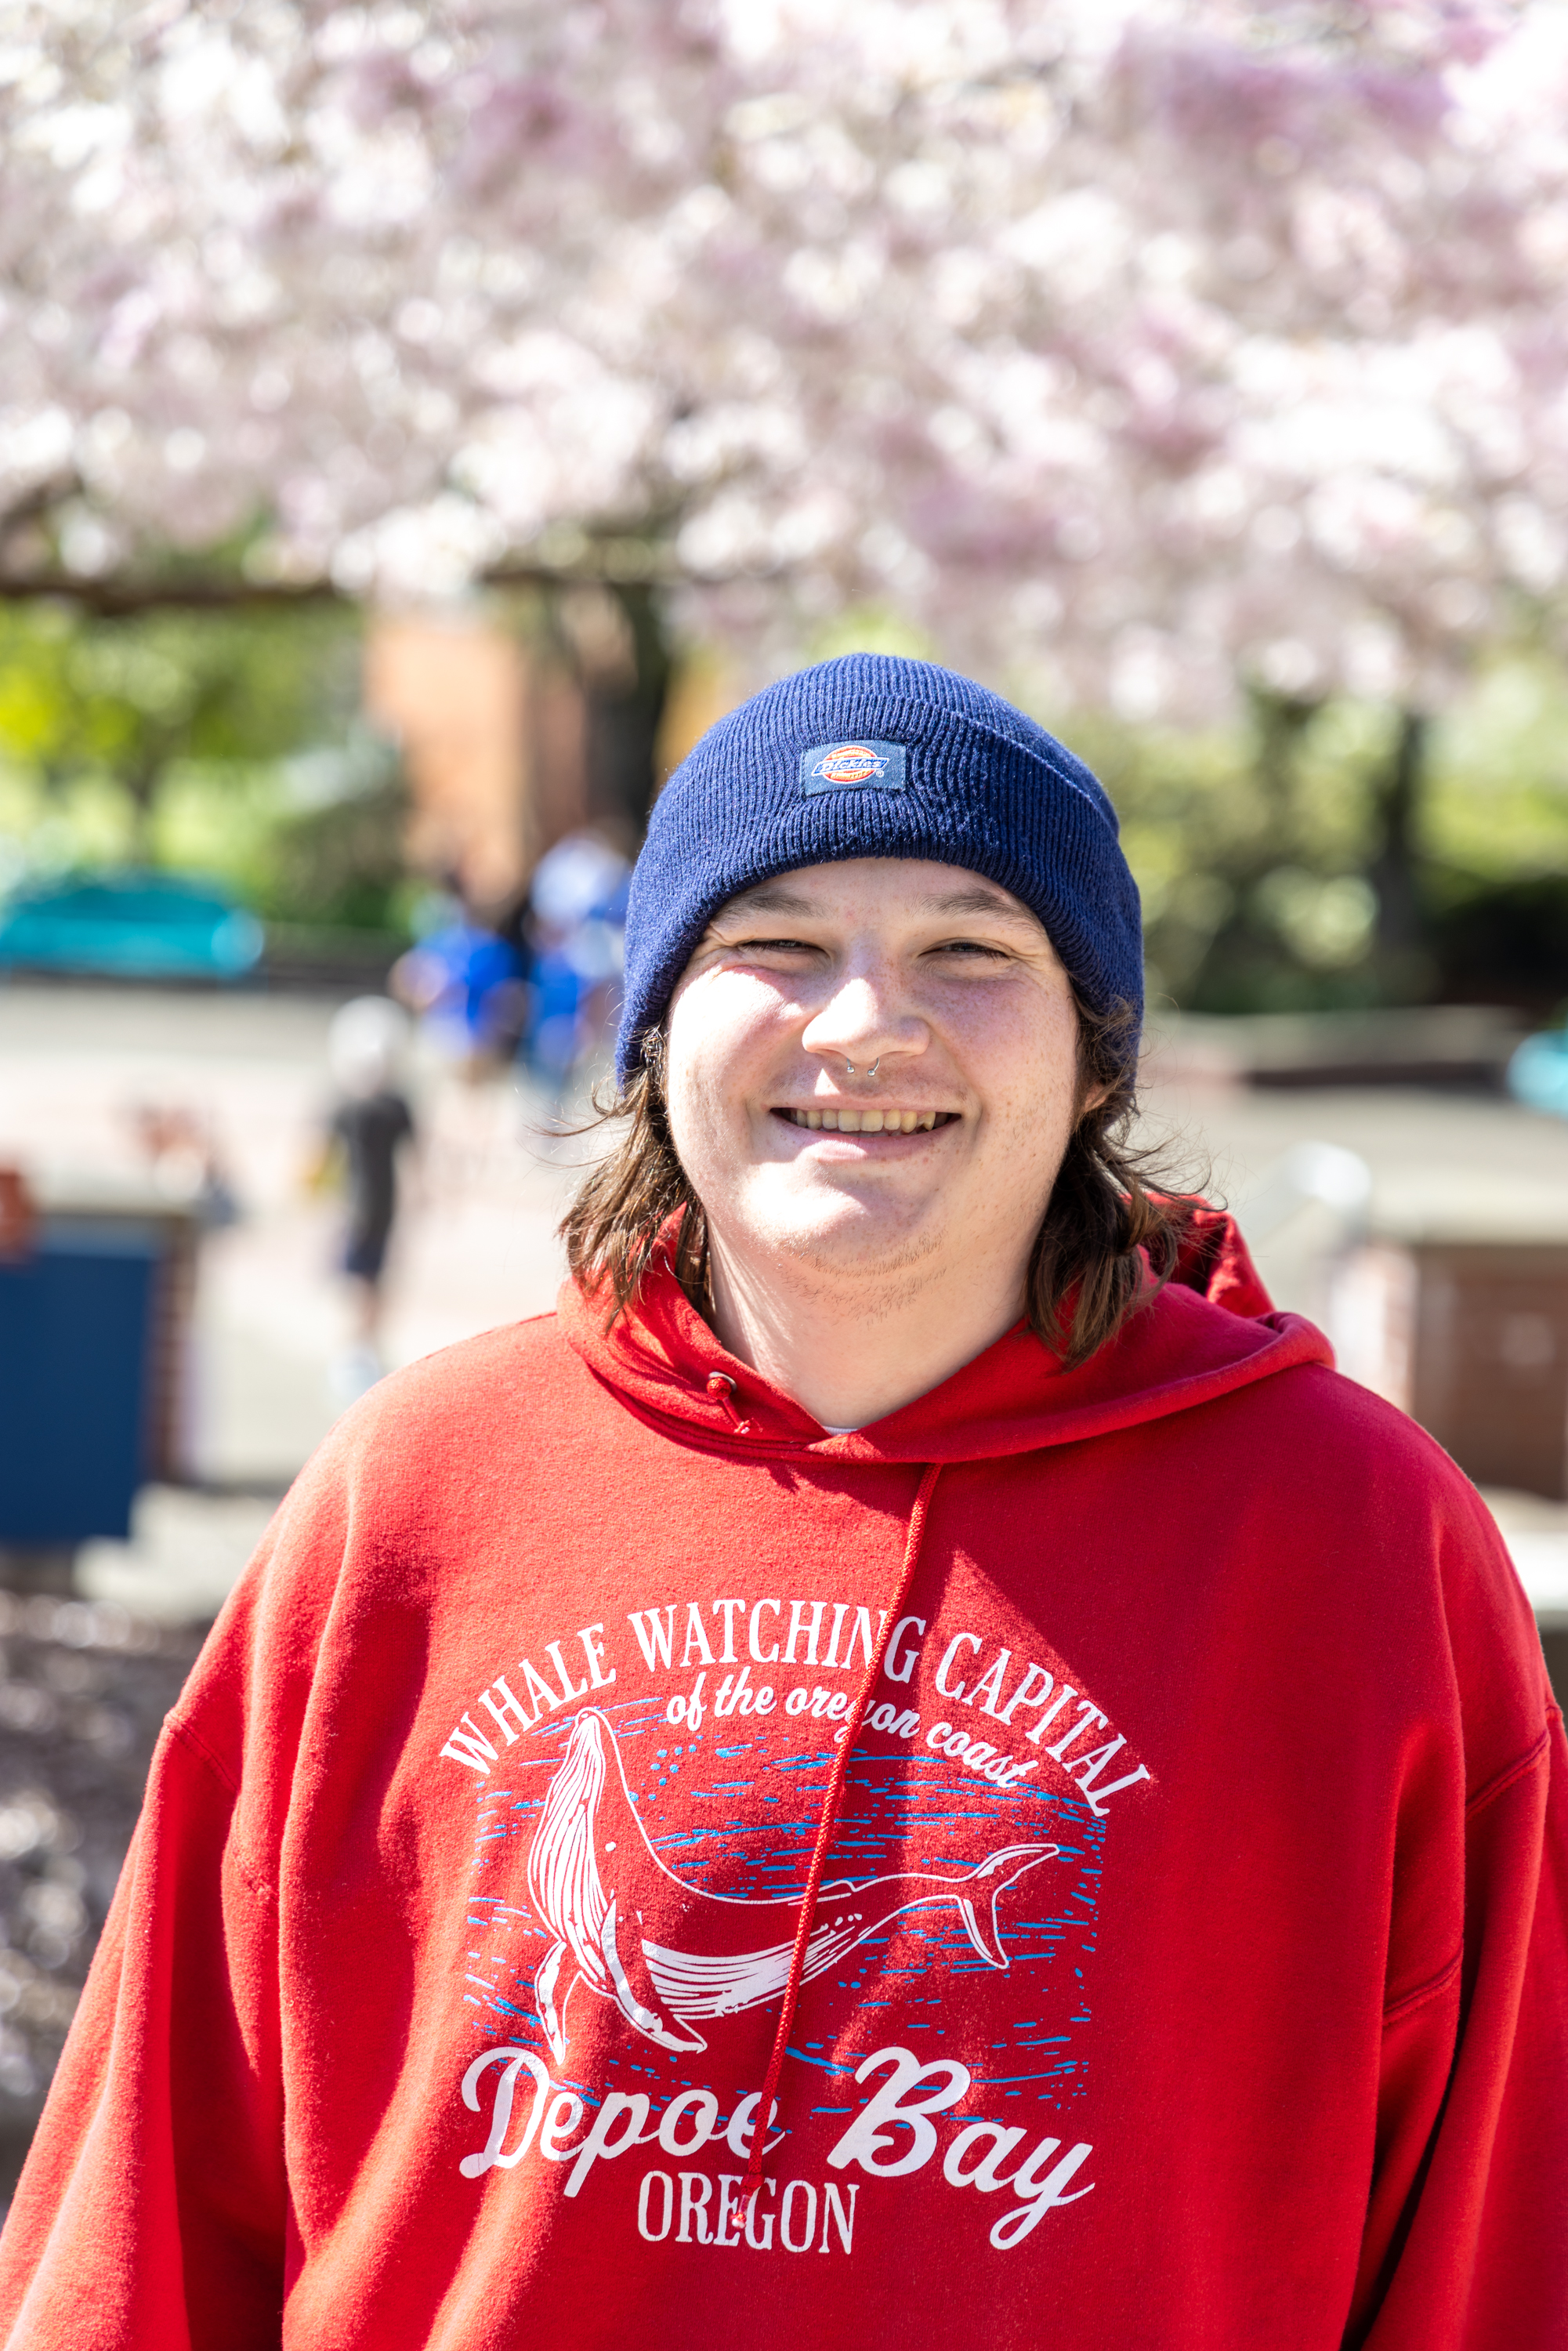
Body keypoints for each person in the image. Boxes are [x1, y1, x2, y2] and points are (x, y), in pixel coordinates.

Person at [1, 655, 1563, 2349]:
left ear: (1096, 1055)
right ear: (657, 1026)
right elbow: (152, 2208)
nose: (862, 1023)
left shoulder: (1351, 1543)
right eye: (775, 944)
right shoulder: (414, 1499)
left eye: (969, 949)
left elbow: (1489, 2246)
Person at [317, 995, 416, 1395]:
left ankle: (364, 1349)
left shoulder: (393, 1106)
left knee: (372, 1280)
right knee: (359, 1281)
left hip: (380, 1206)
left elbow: (413, 1156)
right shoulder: (347, 1107)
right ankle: (355, 1351)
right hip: (356, 1207)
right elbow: (322, 1158)